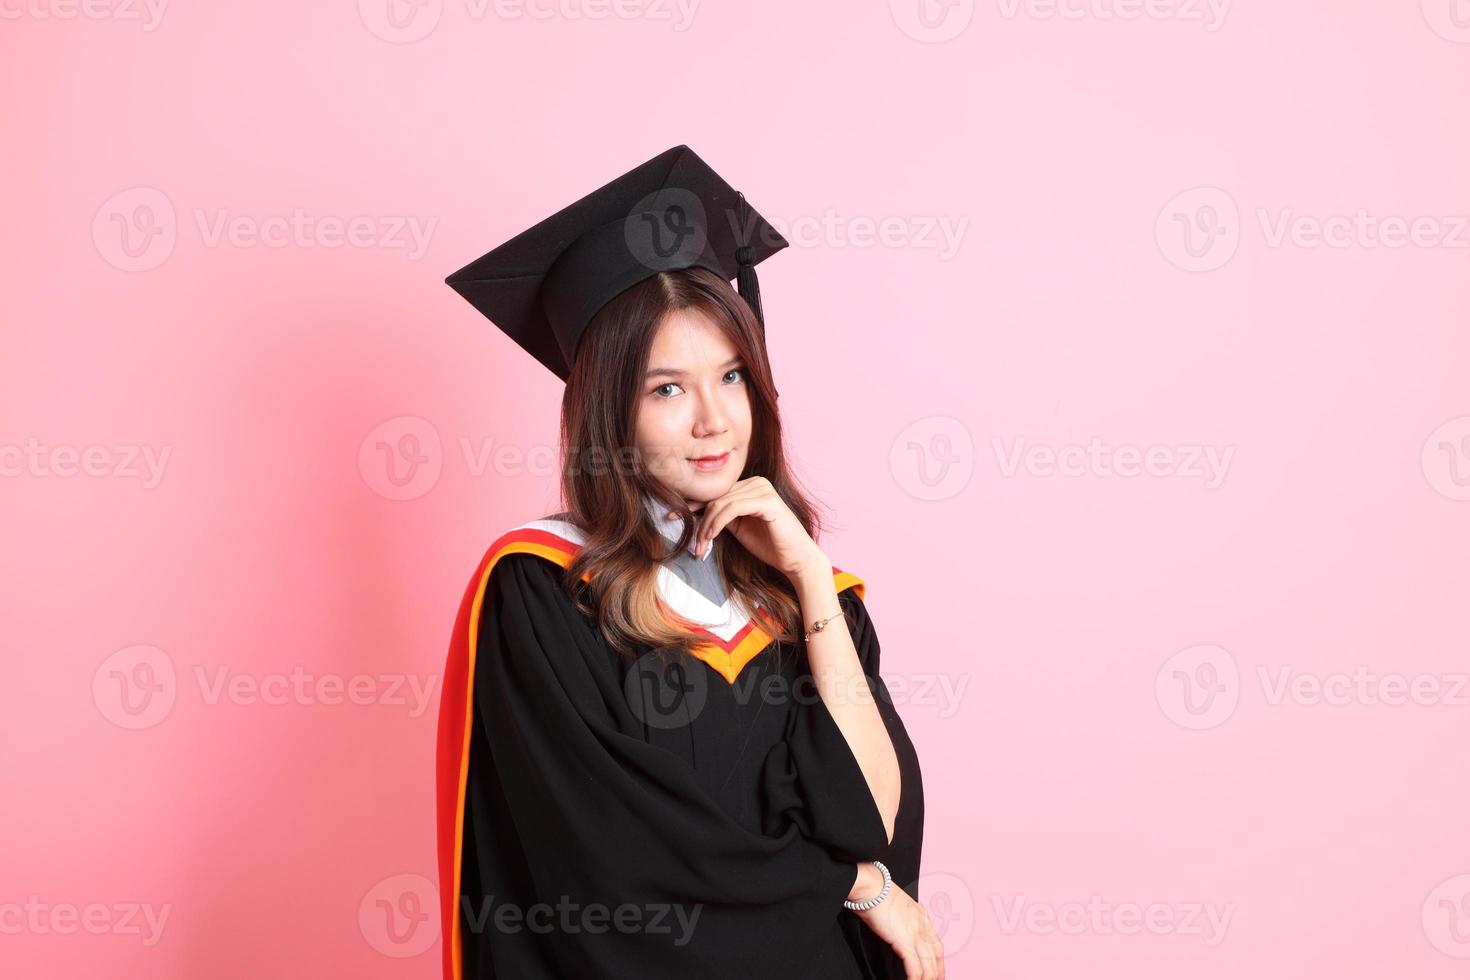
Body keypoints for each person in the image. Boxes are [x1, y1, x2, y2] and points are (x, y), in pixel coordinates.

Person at [436, 145, 941, 979]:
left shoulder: (811, 598)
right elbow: (617, 863)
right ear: (609, 410)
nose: (714, 420)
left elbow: (872, 823)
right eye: (666, 389)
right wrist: (853, 885)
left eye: (732, 376)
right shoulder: (540, 589)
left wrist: (810, 577)